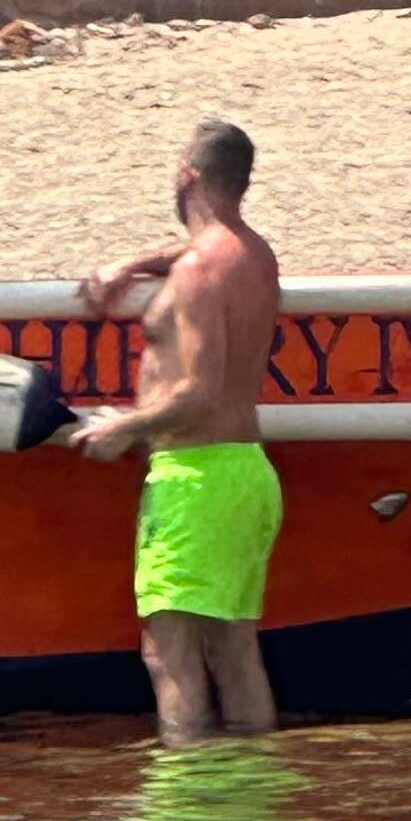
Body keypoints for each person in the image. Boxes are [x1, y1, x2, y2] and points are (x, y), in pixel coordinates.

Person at [71, 118, 285, 745]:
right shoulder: (252, 253)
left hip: (194, 477)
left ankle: (188, 817)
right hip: (246, 474)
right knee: (234, 649)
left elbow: (198, 389)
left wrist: (124, 427)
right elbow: (202, 251)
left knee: (168, 655)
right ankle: (243, 800)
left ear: (187, 176)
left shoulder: (196, 274)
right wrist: (132, 264)